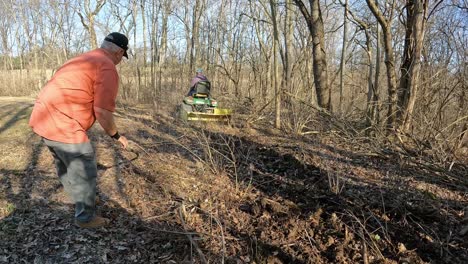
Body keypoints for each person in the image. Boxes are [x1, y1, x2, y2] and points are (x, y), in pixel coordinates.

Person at [29, 32, 130, 228]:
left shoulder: (83, 58)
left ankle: (80, 201)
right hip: (64, 123)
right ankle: (85, 217)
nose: (120, 61)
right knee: (85, 167)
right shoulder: (107, 66)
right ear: (119, 52)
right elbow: (102, 111)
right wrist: (116, 136)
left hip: (43, 118)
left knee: (65, 165)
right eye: (122, 56)